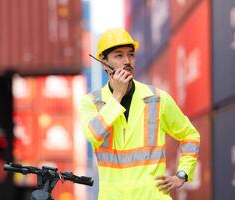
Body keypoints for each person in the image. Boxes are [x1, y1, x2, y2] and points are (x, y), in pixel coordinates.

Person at [78, 28, 200, 200]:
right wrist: (117, 96)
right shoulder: (91, 102)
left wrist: (182, 174)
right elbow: (94, 135)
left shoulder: (157, 98)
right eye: (119, 55)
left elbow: (190, 135)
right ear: (103, 63)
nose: (127, 61)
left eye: (131, 55)